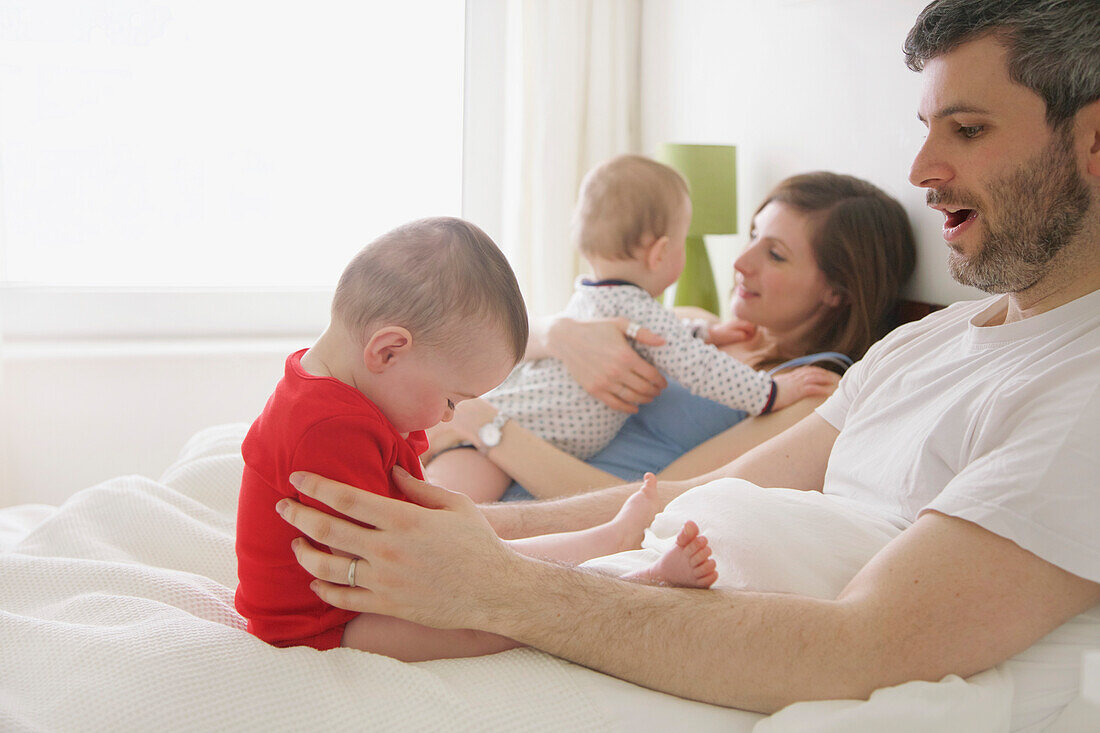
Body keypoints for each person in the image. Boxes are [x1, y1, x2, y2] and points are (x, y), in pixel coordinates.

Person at [275, 0, 1100, 729]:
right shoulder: (923, 342)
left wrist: (494, 582)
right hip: (639, 571)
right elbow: (682, 494)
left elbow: (870, 643)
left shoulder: (1081, 388)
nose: (921, 170)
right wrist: (456, 535)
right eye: (925, 130)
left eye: (969, 129)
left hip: (680, 619)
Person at [234, 217, 717, 658]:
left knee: (486, 562)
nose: (448, 418)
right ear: (387, 351)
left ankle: (605, 540)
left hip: (350, 592)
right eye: (451, 399)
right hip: (319, 621)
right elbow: (401, 554)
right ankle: (634, 575)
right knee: (497, 619)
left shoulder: (330, 384)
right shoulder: (330, 428)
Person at [430, 170, 917, 499]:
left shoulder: (807, 399)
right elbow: (520, 347)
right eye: (751, 236)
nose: (740, 263)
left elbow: (646, 504)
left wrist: (481, 422)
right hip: (481, 453)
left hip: (548, 511)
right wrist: (560, 333)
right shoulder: (688, 323)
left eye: (776, 254)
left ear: (838, 291)